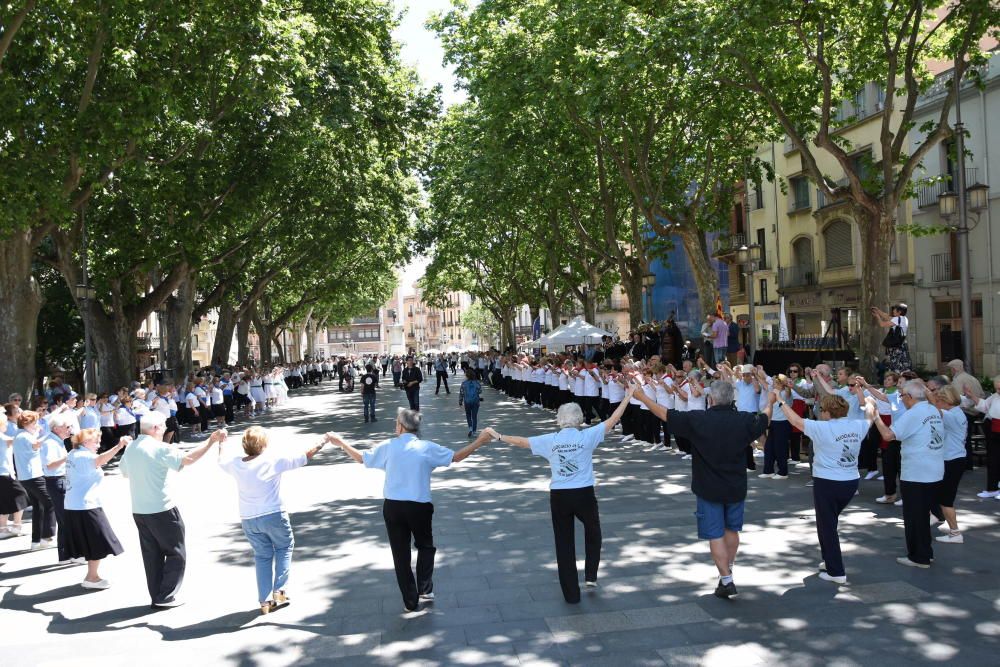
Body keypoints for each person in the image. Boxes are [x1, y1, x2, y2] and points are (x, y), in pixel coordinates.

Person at [327, 409, 493, 612]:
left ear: (400, 426)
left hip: (393, 506)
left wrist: (341, 443)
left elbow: (362, 458)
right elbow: (456, 457)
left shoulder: (388, 446)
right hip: (419, 506)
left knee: (400, 554)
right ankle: (425, 587)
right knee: (425, 546)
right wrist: (479, 442)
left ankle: (410, 600)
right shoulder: (426, 447)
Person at [485, 387, 634, 604]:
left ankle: (572, 595)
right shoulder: (587, 436)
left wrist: (498, 436)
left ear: (559, 420)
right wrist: (628, 397)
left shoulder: (551, 440)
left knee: (564, 543)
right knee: (594, 531)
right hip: (584, 494)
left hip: (560, 496)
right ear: (580, 419)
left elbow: (521, 441)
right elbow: (613, 419)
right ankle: (590, 574)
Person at [632, 379, 772, 599]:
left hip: (708, 488)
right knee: (732, 530)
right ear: (732, 398)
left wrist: (641, 397)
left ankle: (726, 579)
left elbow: (665, 414)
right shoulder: (743, 420)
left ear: (711, 398)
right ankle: (728, 568)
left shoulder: (699, 419)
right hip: (735, 486)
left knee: (715, 534)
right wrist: (771, 402)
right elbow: (764, 419)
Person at [219, 426, 330, 614]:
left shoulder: (236, 464)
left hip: (248, 518)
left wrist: (221, 441)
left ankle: (264, 601)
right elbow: (304, 457)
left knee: (262, 556)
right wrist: (323, 440)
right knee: (284, 547)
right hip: (272, 513)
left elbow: (221, 460)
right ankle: (280, 590)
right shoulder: (271, 461)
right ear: (263, 444)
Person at [119, 411, 224, 607]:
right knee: (176, 552)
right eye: (163, 427)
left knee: (152, 555)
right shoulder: (158, 448)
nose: (165, 430)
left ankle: (158, 595)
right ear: (155, 428)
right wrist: (210, 442)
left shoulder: (131, 447)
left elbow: (125, 472)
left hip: (140, 509)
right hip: (162, 508)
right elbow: (187, 459)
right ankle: (165, 595)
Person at [778, 392, 876, 584]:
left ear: (828, 412)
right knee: (828, 522)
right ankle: (828, 560)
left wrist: (780, 402)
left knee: (827, 526)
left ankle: (836, 571)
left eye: (821, 410)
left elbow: (796, 420)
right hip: (850, 482)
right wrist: (870, 403)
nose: (820, 413)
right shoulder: (858, 425)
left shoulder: (821, 428)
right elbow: (870, 417)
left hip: (828, 483)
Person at [872, 381, 944, 568]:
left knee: (914, 516)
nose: (901, 399)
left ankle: (919, 557)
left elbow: (888, 435)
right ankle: (926, 552)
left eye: (902, 395)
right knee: (922, 514)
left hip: (916, 473)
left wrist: (876, 417)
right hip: (934, 470)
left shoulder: (913, 414)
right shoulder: (933, 410)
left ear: (910, 397)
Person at [64, 429, 130, 588]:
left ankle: (92, 575)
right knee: (97, 541)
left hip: (77, 504)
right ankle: (91, 578)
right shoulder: (83, 456)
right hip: (86, 505)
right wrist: (119, 446)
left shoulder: (73, 453)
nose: (99, 445)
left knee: (92, 541)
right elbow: (100, 460)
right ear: (86, 442)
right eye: (96, 442)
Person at [929, 385, 968, 544]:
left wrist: (929, 396)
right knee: (935, 491)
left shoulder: (952, 415)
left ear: (946, 401)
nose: (937, 403)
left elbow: (936, 411)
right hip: (952, 459)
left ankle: (955, 533)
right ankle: (936, 515)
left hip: (953, 461)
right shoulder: (956, 413)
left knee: (946, 500)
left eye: (939, 400)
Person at [13, 411, 57, 550]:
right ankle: (47, 536)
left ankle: (36, 540)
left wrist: (38, 433)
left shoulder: (21, 435)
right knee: (50, 502)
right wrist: (48, 434)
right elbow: (36, 444)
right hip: (33, 476)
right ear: (26, 423)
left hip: (28, 476)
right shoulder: (24, 436)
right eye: (34, 422)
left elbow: (34, 443)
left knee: (39, 506)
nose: (37, 425)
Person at [965, 375, 1000, 499]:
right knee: (993, 460)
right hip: (993, 430)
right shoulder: (995, 397)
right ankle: (992, 488)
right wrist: (972, 396)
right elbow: (984, 406)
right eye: (996, 388)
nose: (997, 391)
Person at [0, 410, 28, 539]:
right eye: (5, 422)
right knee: (22, 494)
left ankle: (4, 528)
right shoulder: (2, 437)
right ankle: (16, 525)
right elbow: (15, 439)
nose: (7, 424)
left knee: (4, 500)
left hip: (5, 473)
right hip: (4, 473)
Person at [872, 304, 911, 372]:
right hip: (901, 345)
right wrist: (878, 310)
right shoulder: (904, 319)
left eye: (895, 309)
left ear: (899, 312)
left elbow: (882, 324)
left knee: (895, 366)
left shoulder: (898, 319)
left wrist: (877, 316)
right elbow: (887, 317)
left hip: (896, 347)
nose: (893, 311)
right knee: (902, 365)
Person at [458, 367, 483, 438]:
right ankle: (474, 431)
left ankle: (470, 428)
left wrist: (460, 402)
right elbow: (480, 391)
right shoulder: (477, 383)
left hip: (467, 401)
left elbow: (461, 393)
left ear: (467, 376)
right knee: (474, 417)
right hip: (475, 401)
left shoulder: (464, 383)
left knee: (468, 415)